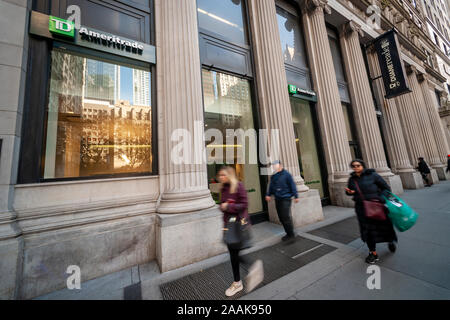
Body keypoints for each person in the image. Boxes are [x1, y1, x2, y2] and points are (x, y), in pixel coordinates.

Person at [218, 166, 263, 297]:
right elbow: (222, 205)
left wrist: (228, 206)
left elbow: (244, 204)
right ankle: (240, 279)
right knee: (233, 254)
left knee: (234, 254)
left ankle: (249, 269)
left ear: (229, 175)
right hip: (228, 226)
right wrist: (223, 207)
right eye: (220, 175)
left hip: (237, 226)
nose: (221, 177)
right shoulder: (223, 188)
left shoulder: (239, 186)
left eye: (223, 175)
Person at [345, 159, 398, 264]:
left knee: (384, 227)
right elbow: (350, 192)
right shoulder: (352, 179)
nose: (355, 168)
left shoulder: (373, 175)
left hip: (377, 206)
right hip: (362, 209)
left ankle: (390, 241)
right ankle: (373, 253)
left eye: (358, 165)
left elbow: (386, 188)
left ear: (363, 166)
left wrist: (380, 199)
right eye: (353, 166)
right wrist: (350, 192)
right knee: (368, 231)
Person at [265, 160, 299, 242]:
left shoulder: (287, 175)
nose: (274, 166)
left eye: (275, 165)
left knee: (285, 217)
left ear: (280, 165)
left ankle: (291, 235)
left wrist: (296, 196)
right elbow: (271, 187)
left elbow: (292, 185)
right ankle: (288, 233)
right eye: (273, 165)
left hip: (286, 199)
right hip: (278, 199)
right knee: (281, 218)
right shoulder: (274, 176)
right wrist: (268, 194)